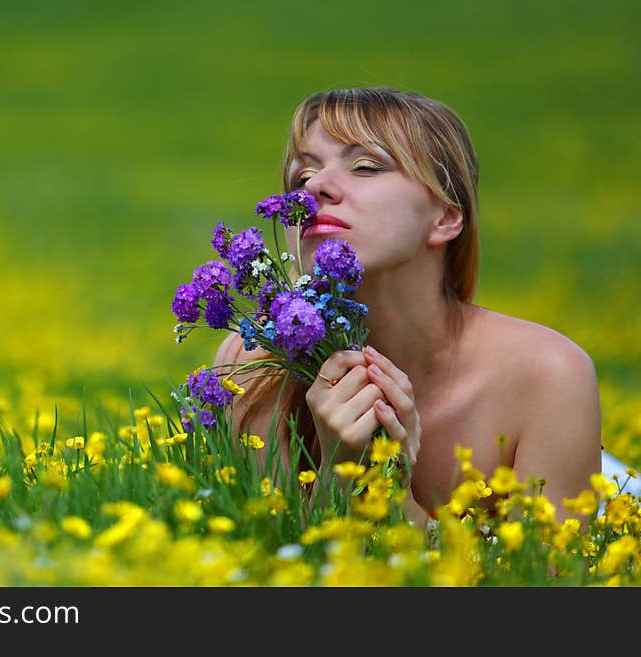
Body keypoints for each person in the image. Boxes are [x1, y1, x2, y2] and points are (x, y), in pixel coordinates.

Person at [213, 87, 630, 526]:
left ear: (446, 218)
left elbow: (549, 579)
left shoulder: (548, 375)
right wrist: (341, 477)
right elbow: (277, 569)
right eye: (302, 177)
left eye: (366, 167)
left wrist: (390, 498)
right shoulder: (256, 368)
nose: (314, 187)